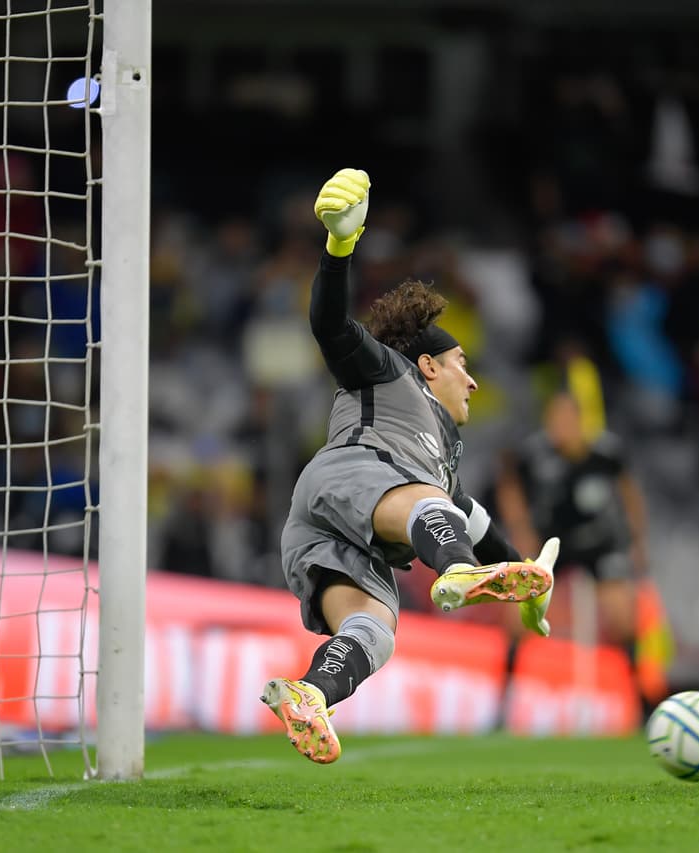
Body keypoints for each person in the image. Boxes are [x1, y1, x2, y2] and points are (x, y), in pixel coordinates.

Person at [261, 169, 559, 764]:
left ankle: (309, 696)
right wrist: (340, 248)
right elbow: (329, 326)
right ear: (427, 365)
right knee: (433, 506)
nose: (472, 379)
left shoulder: (441, 463)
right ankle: (454, 572)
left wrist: (529, 581)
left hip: (326, 531)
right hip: (351, 476)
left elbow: (473, 522)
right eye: (461, 363)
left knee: (373, 633)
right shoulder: (388, 374)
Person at [495, 390, 650, 666]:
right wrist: (521, 528)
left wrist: (637, 539)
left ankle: (638, 692)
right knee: (521, 610)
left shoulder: (606, 452)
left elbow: (630, 493)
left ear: (580, 420)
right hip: (551, 542)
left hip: (598, 541)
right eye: (554, 418)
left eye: (566, 418)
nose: (559, 425)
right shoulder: (535, 454)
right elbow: (508, 486)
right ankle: (508, 680)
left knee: (623, 617)